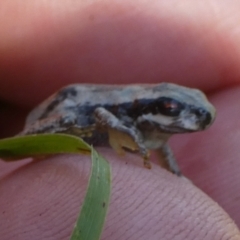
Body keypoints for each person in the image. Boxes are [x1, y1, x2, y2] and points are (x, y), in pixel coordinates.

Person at [0, 1, 240, 239]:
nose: (188, 117)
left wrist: (178, 179)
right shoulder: (127, 113)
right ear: (150, 107)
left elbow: (162, 149)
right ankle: (27, 141)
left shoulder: (155, 132)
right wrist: (121, 128)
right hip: (71, 112)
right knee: (70, 119)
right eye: (172, 108)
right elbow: (100, 114)